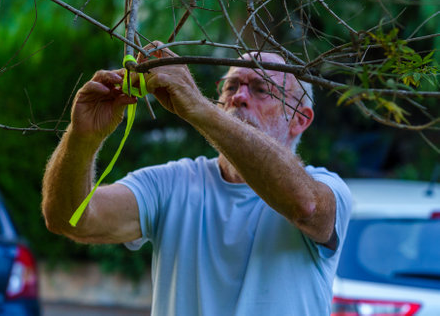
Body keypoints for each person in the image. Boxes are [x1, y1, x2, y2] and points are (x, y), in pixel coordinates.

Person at [42, 42, 352, 316]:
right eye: (231, 87)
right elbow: (69, 219)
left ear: (300, 119)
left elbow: (307, 207)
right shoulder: (172, 183)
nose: (239, 97)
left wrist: (196, 106)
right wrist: (82, 138)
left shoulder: (329, 189)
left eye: (260, 89)